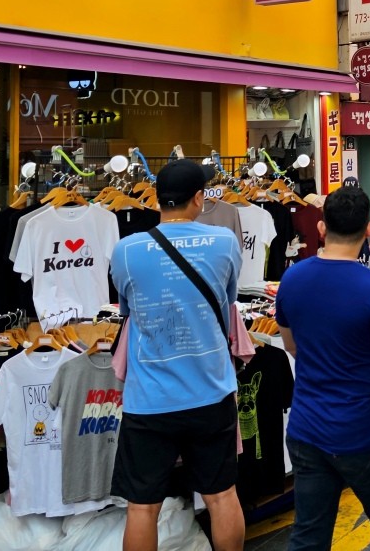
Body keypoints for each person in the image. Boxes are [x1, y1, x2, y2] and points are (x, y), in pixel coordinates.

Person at [109, 159, 245, 551]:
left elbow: (127, 309)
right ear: (199, 198)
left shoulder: (127, 249)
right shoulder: (224, 242)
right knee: (221, 496)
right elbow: (229, 300)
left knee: (142, 507)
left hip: (149, 398)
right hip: (211, 391)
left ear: (156, 198)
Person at [276, 186, 370, 551]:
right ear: (368, 229)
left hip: (307, 430)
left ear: (322, 228)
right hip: (366, 432)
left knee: (308, 536)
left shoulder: (292, 279)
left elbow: (291, 346)